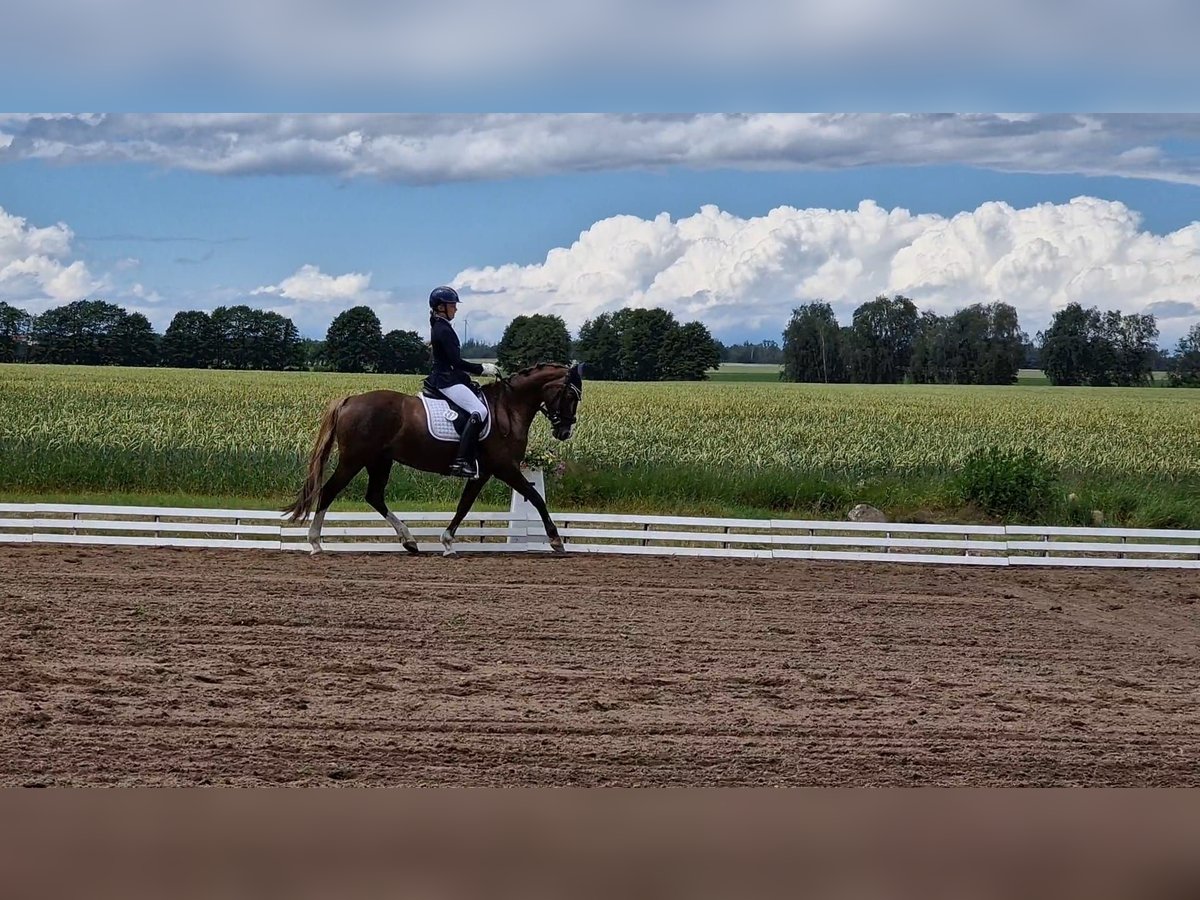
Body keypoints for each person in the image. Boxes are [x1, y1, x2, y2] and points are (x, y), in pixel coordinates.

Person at [423, 286, 500, 478]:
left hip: (450, 377)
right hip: (446, 380)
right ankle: (462, 461)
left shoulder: (440, 325)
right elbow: (455, 362)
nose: (456, 309)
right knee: (480, 411)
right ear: (441, 307)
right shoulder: (443, 328)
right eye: (452, 305)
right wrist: (481, 368)